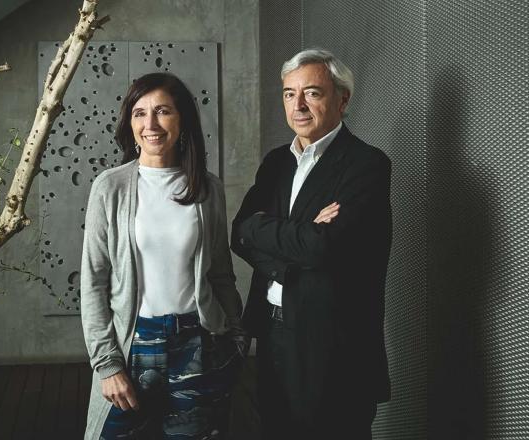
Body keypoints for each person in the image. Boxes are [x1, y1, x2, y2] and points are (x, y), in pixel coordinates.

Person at [232, 48, 393, 439]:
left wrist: (268, 229)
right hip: (272, 337)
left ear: (342, 99)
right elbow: (239, 233)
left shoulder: (366, 164)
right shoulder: (276, 163)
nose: (298, 104)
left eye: (312, 93)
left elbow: (325, 248)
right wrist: (300, 235)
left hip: (334, 346)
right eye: (289, 93)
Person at [81, 72, 245, 440]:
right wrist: (107, 365)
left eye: (162, 111)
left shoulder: (208, 188)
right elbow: (93, 282)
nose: (150, 124)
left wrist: (234, 337)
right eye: (140, 113)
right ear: (130, 122)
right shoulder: (110, 188)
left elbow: (220, 273)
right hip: (134, 343)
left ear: (181, 119)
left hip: (198, 341)